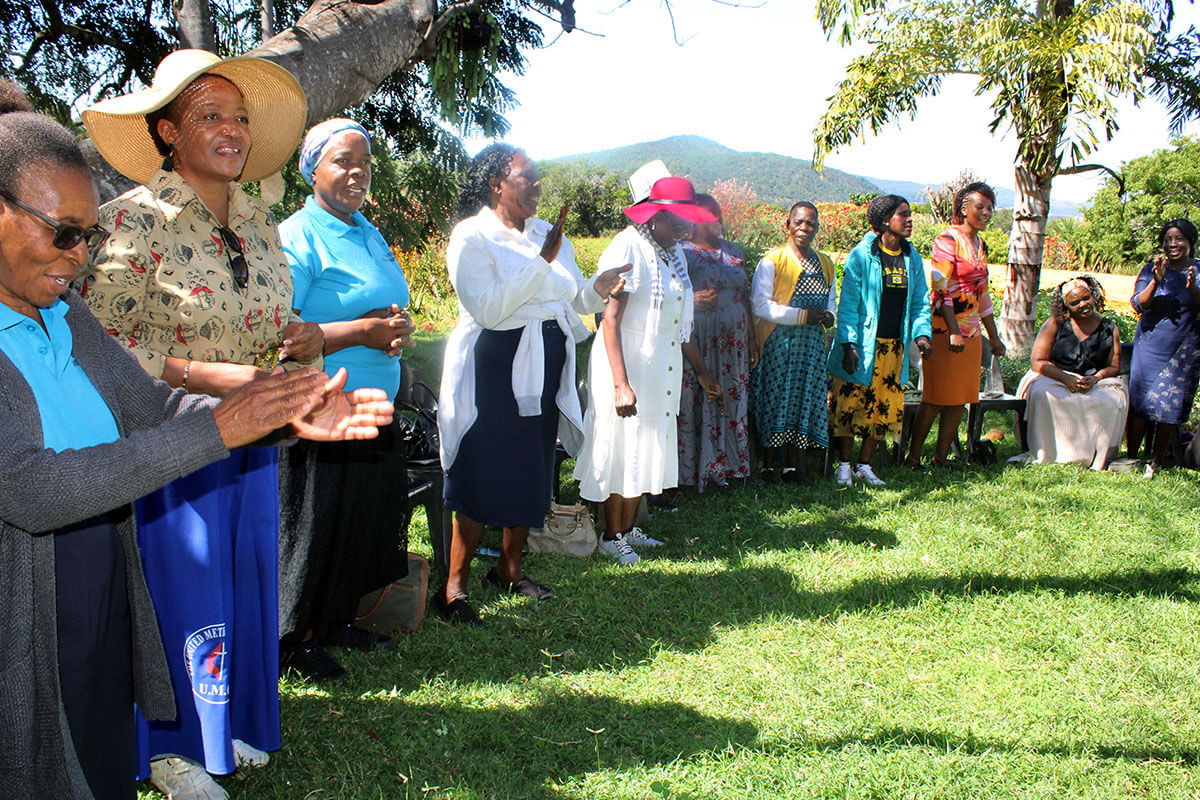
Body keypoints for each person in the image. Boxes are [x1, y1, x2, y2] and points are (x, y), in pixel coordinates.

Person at [0, 91, 391, 800]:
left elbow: (149, 404)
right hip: (27, 590)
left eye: (85, 237)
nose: (79, 257)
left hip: (98, 562)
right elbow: (30, 490)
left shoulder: (61, 312)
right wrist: (219, 425)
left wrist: (279, 415)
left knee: (94, 752)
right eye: (64, 235)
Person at [78, 49, 320, 798]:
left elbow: (270, 319)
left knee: (243, 577)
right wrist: (198, 376)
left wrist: (304, 336)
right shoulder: (130, 222)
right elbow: (94, 341)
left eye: (240, 116)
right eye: (209, 115)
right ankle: (169, 747)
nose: (233, 130)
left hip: (251, 438)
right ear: (167, 134)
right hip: (168, 442)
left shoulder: (261, 223)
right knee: (179, 587)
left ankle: (229, 719)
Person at [438, 144, 630, 623]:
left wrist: (596, 288)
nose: (538, 186)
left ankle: (509, 567)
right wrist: (540, 262)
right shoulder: (473, 236)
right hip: (495, 361)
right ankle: (455, 586)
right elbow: (488, 309)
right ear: (496, 183)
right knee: (482, 463)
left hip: (545, 360)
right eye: (527, 177)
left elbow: (572, 298)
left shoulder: (549, 234)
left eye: (540, 177)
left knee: (533, 465)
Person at [276, 118, 416, 681]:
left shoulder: (364, 229)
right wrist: (363, 332)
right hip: (323, 404)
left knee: (358, 520)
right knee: (319, 523)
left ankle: (336, 620)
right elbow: (286, 334)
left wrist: (397, 325)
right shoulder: (299, 234)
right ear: (311, 171)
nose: (357, 172)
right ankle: (299, 638)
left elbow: (382, 302)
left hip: (373, 403)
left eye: (365, 162)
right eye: (342, 161)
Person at [574, 177, 720, 564]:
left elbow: (677, 320)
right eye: (675, 218)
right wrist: (621, 383)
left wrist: (701, 371)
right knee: (622, 445)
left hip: (660, 364)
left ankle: (628, 529)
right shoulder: (629, 245)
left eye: (687, 219)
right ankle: (611, 535)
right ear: (653, 213)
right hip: (628, 362)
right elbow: (609, 320)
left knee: (646, 443)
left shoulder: (673, 252)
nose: (683, 226)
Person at [827, 195, 933, 486]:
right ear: (886, 220)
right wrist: (849, 344)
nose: (910, 219)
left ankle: (865, 465)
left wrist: (922, 334)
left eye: (910, 214)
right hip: (862, 346)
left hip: (893, 347)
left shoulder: (912, 259)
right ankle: (844, 466)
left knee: (883, 407)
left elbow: (921, 302)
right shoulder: (861, 256)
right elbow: (848, 305)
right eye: (904, 214)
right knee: (850, 404)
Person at [905, 181, 1006, 468]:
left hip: (971, 334)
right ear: (964, 208)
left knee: (959, 399)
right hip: (945, 332)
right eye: (980, 207)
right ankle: (913, 458)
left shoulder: (980, 244)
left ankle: (940, 458)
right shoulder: (947, 240)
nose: (986, 213)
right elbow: (939, 290)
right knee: (936, 397)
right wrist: (953, 331)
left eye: (990, 208)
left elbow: (982, 295)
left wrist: (994, 338)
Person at [748, 201, 836, 485]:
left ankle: (792, 466)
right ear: (787, 226)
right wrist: (802, 316)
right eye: (798, 222)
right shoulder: (773, 261)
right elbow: (760, 305)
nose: (804, 228)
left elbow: (831, 298)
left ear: (817, 228)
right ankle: (767, 466)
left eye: (810, 223)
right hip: (778, 342)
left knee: (802, 401)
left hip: (809, 347)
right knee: (774, 400)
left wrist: (826, 316)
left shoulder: (825, 263)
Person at [677, 193, 756, 491]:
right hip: (698, 340)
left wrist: (752, 336)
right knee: (697, 398)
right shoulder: (682, 253)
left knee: (733, 398)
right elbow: (673, 296)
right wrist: (691, 302)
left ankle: (731, 467)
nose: (718, 220)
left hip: (733, 343)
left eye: (719, 214)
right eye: (711, 215)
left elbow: (743, 296)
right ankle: (695, 471)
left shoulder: (733, 251)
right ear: (694, 220)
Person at [1011, 276, 1126, 470]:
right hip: (1056, 377)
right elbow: (1037, 361)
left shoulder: (1109, 328)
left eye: (1086, 298)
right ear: (1066, 307)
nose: (1083, 305)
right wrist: (1066, 378)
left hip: (1094, 380)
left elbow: (1113, 366)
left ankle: (1093, 456)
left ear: (1093, 296)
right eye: (1075, 303)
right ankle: (1049, 452)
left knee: (1111, 400)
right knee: (1042, 395)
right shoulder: (1055, 324)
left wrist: (1096, 378)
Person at [1127, 218, 1200, 478]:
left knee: (1171, 405)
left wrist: (1194, 291)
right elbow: (1139, 304)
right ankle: (1132, 458)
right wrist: (1156, 282)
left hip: (1185, 348)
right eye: (1168, 239)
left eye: (1179, 239)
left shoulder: (1199, 271)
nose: (1173, 244)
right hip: (1150, 345)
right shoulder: (1152, 268)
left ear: (1190, 242)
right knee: (1140, 403)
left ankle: (1155, 461)